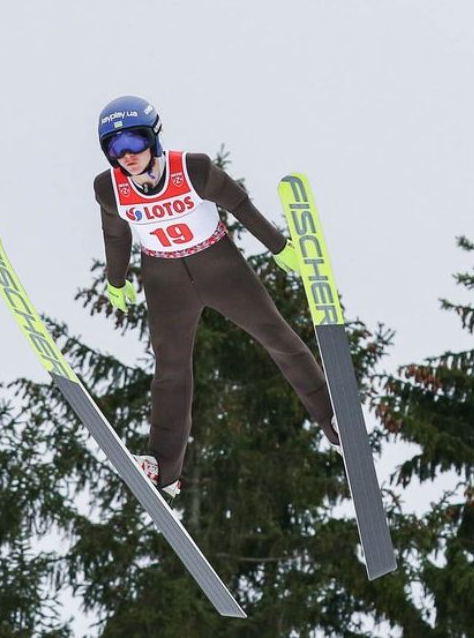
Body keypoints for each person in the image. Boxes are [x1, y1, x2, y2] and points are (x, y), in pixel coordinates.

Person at [93, 95, 341, 498]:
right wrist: (116, 281)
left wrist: (278, 247)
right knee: (170, 369)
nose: (128, 156)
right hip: (164, 278)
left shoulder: (193, 169)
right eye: (115, 148)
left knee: (277, 337)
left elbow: (239, 203)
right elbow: (115, 234)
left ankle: (334, 420)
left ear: (153, 138)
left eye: (135, 142)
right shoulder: (110, 189)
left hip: (219, 267)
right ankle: (164, 470)